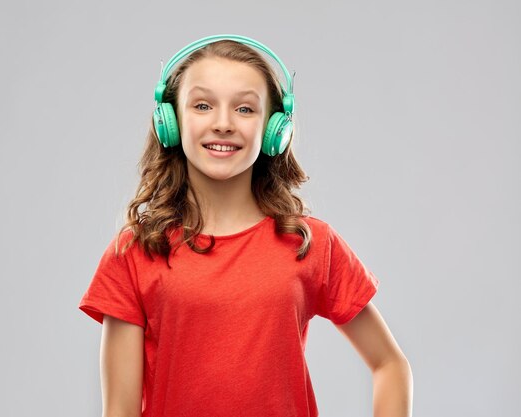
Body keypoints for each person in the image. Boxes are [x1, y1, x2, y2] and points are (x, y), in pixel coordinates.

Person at [78, 34, 413, 417]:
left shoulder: (310, 243)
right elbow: (119, 411)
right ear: (170, 122)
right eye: (202, 105)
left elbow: (390, 365)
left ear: (274, 129)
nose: (223, 124)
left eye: (245, 109)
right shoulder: (134, 252)